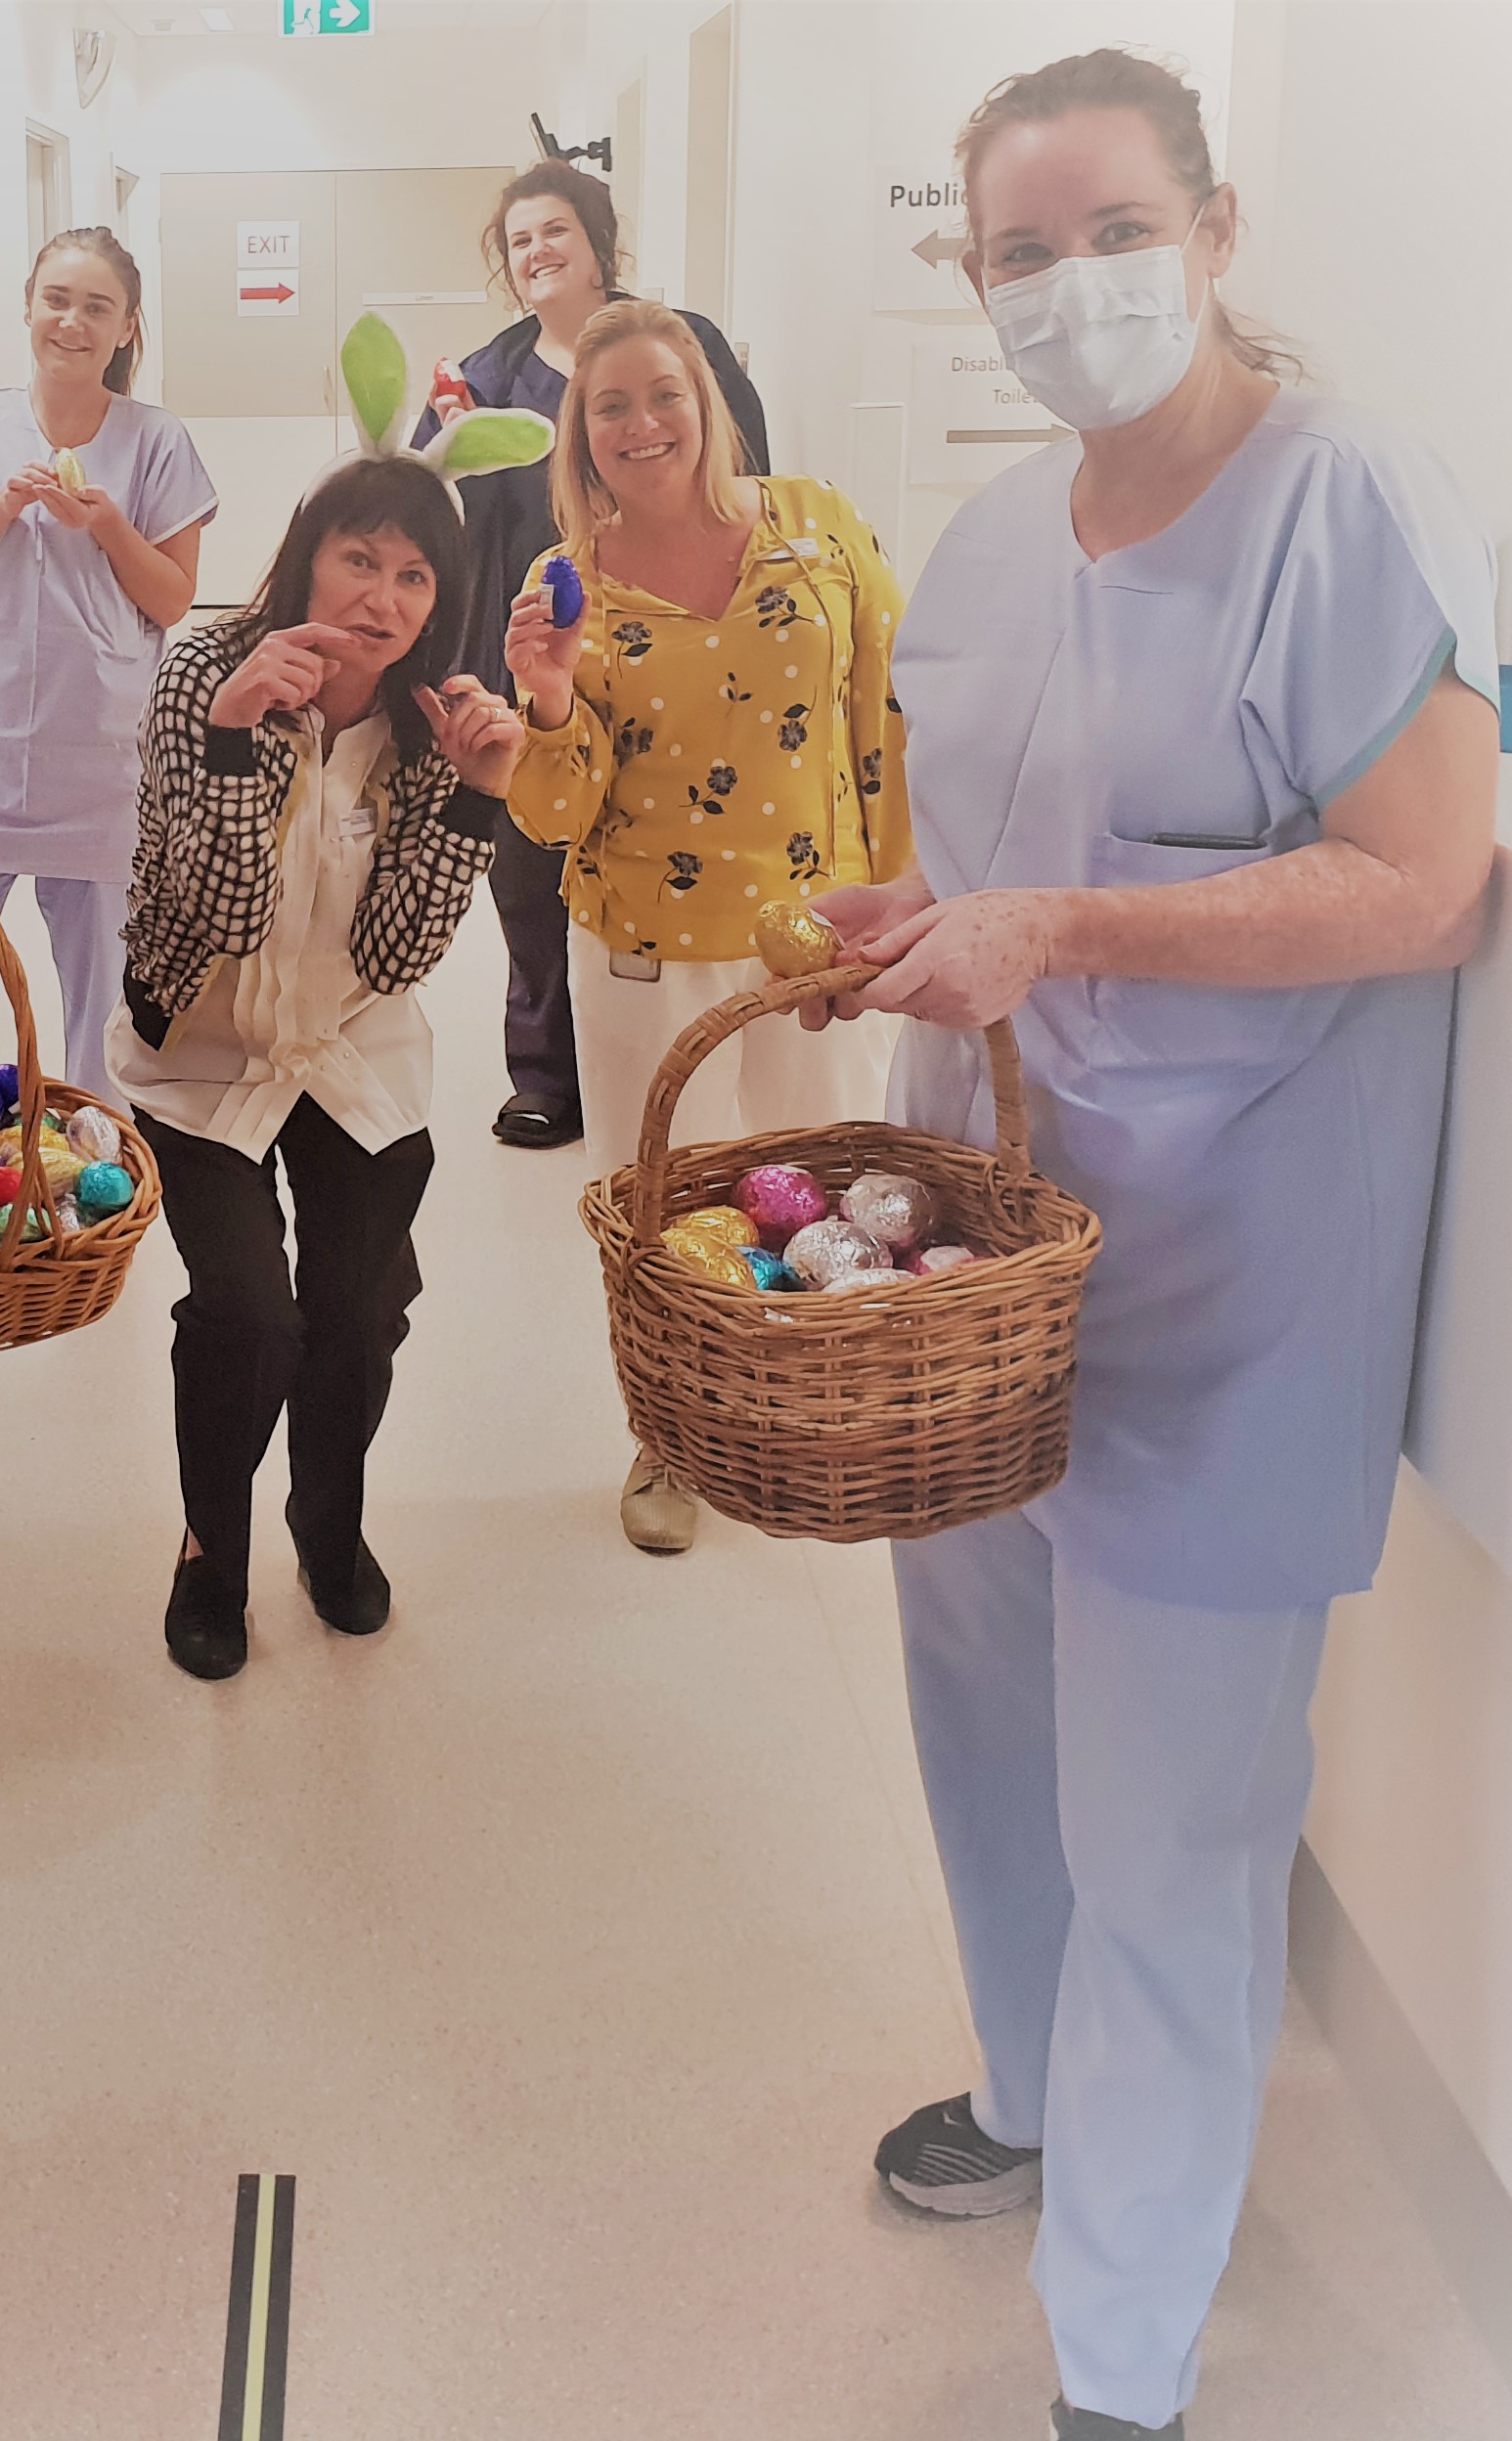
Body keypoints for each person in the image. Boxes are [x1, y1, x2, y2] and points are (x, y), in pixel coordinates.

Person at [798, 53, 1500, 2441]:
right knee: (982, 1705)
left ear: (1209, 225)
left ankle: (1124, 2358)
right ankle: (1025, 2083)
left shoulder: (1343, 505)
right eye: (1013, 248)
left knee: (1177, 1821)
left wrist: (1068, 926)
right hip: (983, 1273)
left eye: (1106, 226)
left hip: (1237, 1283)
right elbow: (971, 853)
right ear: (967, 277)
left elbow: (1419, 878)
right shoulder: (990, 553)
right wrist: (906, 930)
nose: (1060, 283)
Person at [503, 298, 912, 1555]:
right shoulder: (565, 577)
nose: (641, 425)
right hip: (642, 948)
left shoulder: (817, 525)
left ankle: (820, 1416)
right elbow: (553, 811)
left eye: (662, 395)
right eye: (609, 406)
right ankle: (672, 1435)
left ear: (708, 403)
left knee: (833, 1193)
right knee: (663, 1204)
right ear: (582, 435)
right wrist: (550, 694)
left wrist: (899, 898)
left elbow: (888, 714)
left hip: (819, 937)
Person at [109, 456, 522, 1679]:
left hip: (347, 1046)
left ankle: (325, 1519)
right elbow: (225, 914)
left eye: (412, 576)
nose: (381, 599)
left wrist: (477, 800)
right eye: (359, 558)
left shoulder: (435, 719)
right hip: (201, 1047)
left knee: (360, 1310)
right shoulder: (202, 671)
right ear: (304, 555)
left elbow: (396, 953)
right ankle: (210, 1552)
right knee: (246, 1317)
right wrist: (239, 738)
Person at [415, 159, 770, 1155]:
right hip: (535, 656)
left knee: (663, 842)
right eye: (519, 240)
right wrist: (446, 451)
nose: (537, 253)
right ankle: (545, 1074)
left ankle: (681, 1057)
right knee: (529, 868)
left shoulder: (680, 342)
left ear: (598, 243)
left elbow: (752, 468)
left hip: (677, 644)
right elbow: (428, 519)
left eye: (554, 232)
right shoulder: (480, 379)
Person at [0, 226, 216, 1104]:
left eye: (96, 306)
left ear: (127, 326)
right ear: (28, 306)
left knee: (105, 991)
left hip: (99, 764)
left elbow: (173, 598)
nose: (72, 321)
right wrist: (0, 507)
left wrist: (104, 524)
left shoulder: (156, 441)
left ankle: (97, 1171)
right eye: (56, 300)